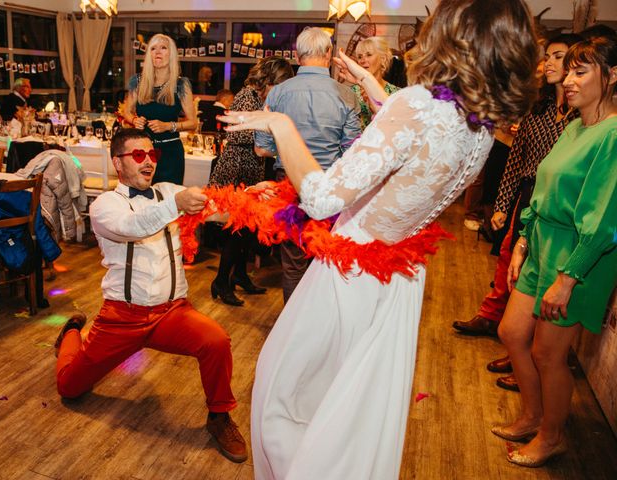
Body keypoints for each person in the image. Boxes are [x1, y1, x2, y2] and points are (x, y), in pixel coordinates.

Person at [221, 0, 539, 477]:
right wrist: (370, 84)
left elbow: (324, 198)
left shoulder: (419, 106)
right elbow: (413, 136)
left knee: (286, 393)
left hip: (348, 272)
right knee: (348, 406)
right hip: (395, 278)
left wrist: (281, 125)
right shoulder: (480, 126)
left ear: (449, 35)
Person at [53, 128, 247, 463]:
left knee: (216, 341)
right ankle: (71, 333)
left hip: (172, 312)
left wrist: (250, 201)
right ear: (118, 162)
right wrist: (175, 205)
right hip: (121, 317)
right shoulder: (104, 206)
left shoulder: (168, 192)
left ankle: (219, 417)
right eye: (138, 155)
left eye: (152, 155)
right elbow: (135, 226)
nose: (148, 162)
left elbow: (217, 212)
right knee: (70, 388)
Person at [495, 35, 617, 468]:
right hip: (543, 243)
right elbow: (543, 189)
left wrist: (568, 278)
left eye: (580, 71)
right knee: (511, 333)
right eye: (569, 70)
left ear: (613, 75)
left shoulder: (613, 134)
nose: (567, 80)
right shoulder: (574, 126)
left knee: (549, 352)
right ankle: (532, 415)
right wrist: (522, 241)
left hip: (578, 257)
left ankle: (553, 435)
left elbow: (605, 220)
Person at [453, 34, 583, 393]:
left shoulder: (580, 118)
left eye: (559, 57)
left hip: (560, 206)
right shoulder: (538, 108)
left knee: (539, 278)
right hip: (527, 195)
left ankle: (524, 356)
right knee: (509, 263)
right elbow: (517, 157)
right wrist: (503, 202)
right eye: (548, 57)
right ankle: (502, 330)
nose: (549, 64)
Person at [255, 26, 362, 303]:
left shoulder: (277, 94)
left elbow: (260, 148)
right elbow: (353, 150)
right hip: (330, 185)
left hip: (289, 184)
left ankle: (293, 328)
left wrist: (285, 148)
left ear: (297, 55)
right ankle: (321, 324)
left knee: (292, 261)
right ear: (328, 53)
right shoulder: (346, 94)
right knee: (325, 258)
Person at [208, 58, 294, 306]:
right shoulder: (248, 95)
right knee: (238, 229)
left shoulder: (262, 98)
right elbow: (239, 132)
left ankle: (241, 276)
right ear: (270, 79)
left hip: (251, 167)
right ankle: (222, 281)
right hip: (237, 168)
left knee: (247, 228)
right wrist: (272, 132)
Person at [125, 34, 197, 185]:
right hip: (142, 153)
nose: (157, 52)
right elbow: (127, 112)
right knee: (142, 200)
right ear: (149, 54)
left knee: (169, 202)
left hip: (170, 154)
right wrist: (134, 120)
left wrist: (168, 126)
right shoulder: (138, 81)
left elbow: (193, 123)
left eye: (163, 48)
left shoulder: (181, 85)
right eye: (153, 48)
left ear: (171, 54)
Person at [347, 36, 400, 130]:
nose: (362, 61)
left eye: (368, 55)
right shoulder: (351, 93)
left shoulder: (396, 94)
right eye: (359, 57)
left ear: (383, 59)